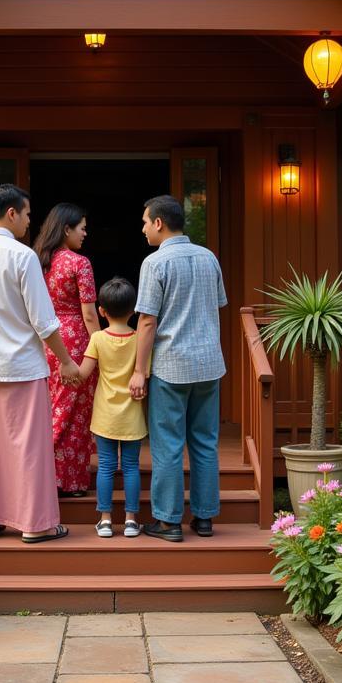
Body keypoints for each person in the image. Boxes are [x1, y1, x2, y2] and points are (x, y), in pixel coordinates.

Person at [0, 184, 80, 543]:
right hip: (23, 366)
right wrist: (67, 362)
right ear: (11, 213)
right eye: (27, 214)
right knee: (29, 447)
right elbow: (43, 320)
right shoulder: (23, 256)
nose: (29, 221)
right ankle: (35, 524)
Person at [129, 195, 227, 542]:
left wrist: (140, 370)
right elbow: (218, 306)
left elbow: (147, 322)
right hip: (209, 364)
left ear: (159, 223)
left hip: (171, 365)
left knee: (168, 445)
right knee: (205, 441)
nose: (142, 229)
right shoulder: (208, 257)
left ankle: (169, 522)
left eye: (144, 222)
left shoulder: (154, 263)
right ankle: (203, 518)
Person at [34, 203, 100, 496]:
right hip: (74, 341)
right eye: (82, 228)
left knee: (52, 407)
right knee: (74, 412)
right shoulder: (79, 263)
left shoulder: (38, 261)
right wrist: (101, 345)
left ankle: (45, 474)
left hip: (45, 340)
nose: (85, 233)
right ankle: (67, 480)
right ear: (66, 229)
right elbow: (89, 314)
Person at [78, 277, 147, 538]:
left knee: (106, 466)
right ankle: (131, 520)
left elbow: (84, 373)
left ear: (101, 311)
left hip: (105, 414)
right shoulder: (140, 339)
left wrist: (65, 368)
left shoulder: (97, 338)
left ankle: (105, 520)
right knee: (131, 466)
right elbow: (145, 374)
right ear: (134, 311)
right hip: (132, 415)